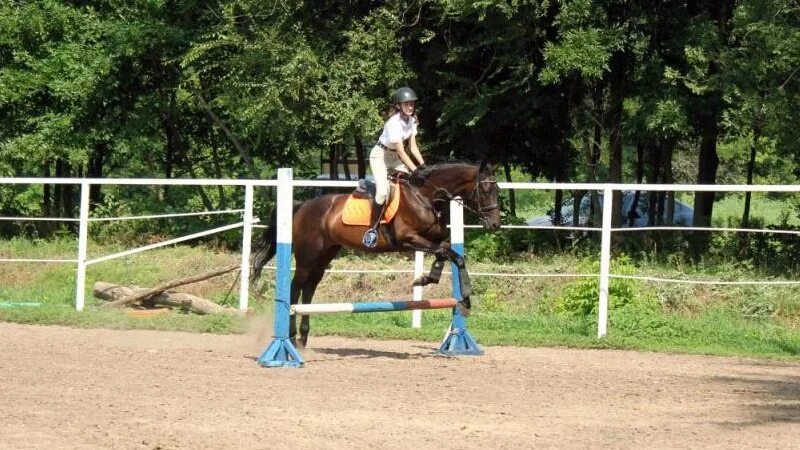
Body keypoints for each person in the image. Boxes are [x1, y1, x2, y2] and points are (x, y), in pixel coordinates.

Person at [362, 87, 426, 248]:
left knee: (413, 184)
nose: (410, 107)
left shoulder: (412, 121)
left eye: (412, 104)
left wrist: (423, 165)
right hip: (380, 156)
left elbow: (412, 146)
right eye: (407, 104)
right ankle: (372, 230)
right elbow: (401, 151)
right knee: (383, 191)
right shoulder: (393, 123)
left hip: (395, 158)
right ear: (398, 106)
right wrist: (415, 170)